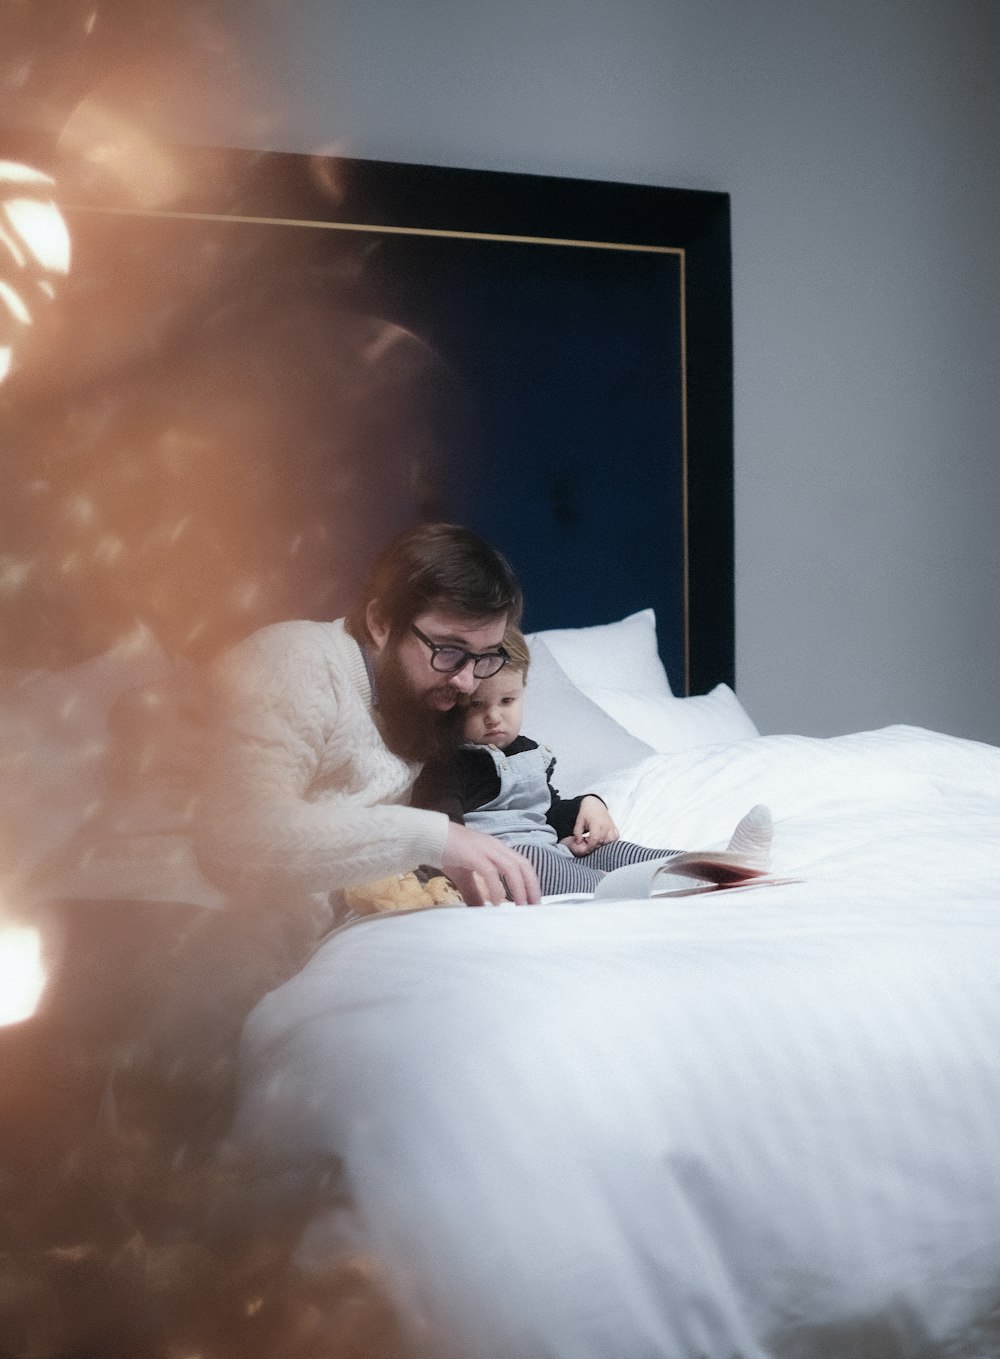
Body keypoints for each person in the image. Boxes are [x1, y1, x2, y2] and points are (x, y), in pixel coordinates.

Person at [195, 522, 543, 918]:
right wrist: (434, 837)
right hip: (179, 923)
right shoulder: (293, 661)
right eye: (449, 650)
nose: (466, 682)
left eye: (485, 657)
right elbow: (236, 835)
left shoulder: (426, 703)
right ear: (380, 623)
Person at [412, 626, 773, 897]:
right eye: (477, 706)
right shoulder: (448, 762)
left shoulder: (529, 753)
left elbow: (548, 812)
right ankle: (623, 889)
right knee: (526, 858)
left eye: (507, 701)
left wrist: (589, 804)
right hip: (499, 866)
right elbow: (442, 831)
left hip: (553, 853)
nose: (494, 717)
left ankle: (712, 865)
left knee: (611, 849)